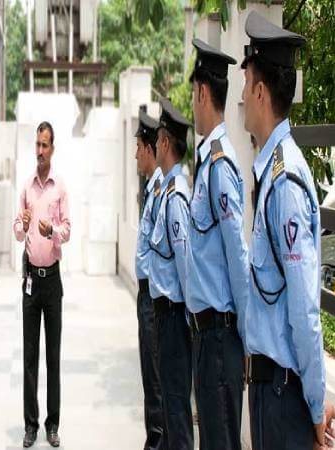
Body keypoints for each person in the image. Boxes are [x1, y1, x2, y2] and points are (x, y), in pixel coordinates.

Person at [241, 11, 327, 449]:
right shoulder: (272, 173)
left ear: (260, 92)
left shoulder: (285, 183)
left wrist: (317, 405)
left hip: (282, 398)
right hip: (269, 393)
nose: (241, 95)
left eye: (245, 83)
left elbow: (305, 311)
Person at [186, 38, 249, 449]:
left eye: (193, 93)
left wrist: (246, 337)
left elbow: (237, 257)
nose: (192, 104)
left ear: (203, 92)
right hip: (205, 338)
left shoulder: (220, 166)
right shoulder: (207, 160)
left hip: (220, 339)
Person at [13, 121, 71, 448]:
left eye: (45, 145)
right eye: (37, 144)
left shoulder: (59, 188)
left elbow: (68, 229)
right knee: (30, 357)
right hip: (31, 282)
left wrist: (53, 232)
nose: (39, 150)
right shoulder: (27, 187)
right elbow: (17, 231)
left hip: (53, 283)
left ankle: (52, 424)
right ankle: (30, 424)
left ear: (53, 148)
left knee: (53, 357)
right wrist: (22, 225)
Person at [148, 98, 193, 450]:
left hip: (175, 320)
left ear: (164, 143)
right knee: (169, 410)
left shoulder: (176, 197)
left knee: (176, 413)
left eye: (158, 139)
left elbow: (185, 266)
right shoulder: (166, 190)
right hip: (165, 318)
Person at [134, 109, 165, 450]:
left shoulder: (162, 190)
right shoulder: (151, 188)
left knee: (157, 384)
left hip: (155, 301)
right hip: (147, 299)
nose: (135, 156)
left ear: (149, 148)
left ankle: (157, 444)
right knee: (150, 381)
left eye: (139, 148)